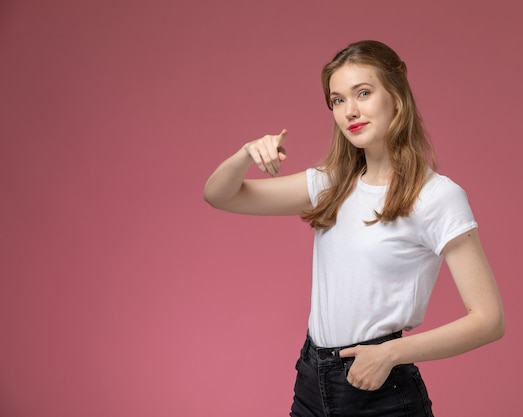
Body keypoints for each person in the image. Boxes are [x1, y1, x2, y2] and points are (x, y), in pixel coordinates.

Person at [204, 40, 505, 417]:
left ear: (396, 97)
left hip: (379, 391)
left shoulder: (436, 196)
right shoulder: (332, 184)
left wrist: (391, 353)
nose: (350, 111)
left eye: (363, 93)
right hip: (312, 380)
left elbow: (489, 319)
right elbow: (220, 195)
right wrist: (246, 153)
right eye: (338, 100)